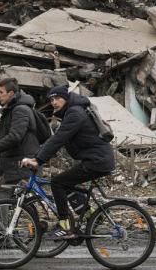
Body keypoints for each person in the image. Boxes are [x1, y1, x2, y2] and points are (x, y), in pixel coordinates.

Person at [22, 84, 115, 240]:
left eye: (57, 98)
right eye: (51, 99)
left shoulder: (75, 113)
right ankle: (91, 216)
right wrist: (37, 156)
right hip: (96, 159)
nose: (54, 102)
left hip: (97, 161)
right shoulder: (73, 111)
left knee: (57, 183)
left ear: (65, 98)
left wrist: (38, 160)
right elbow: (55, 139)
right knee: (66, 183)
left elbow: (59, 139)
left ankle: (66, 227)